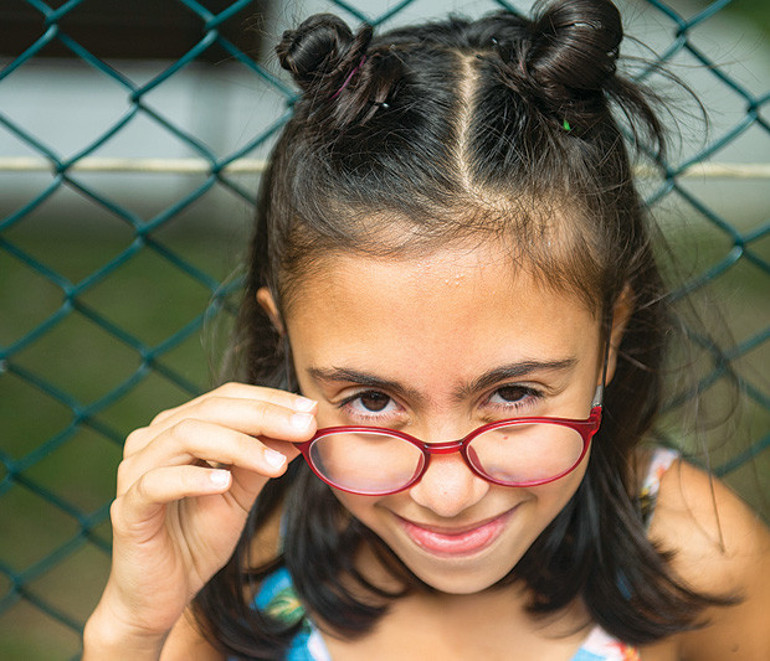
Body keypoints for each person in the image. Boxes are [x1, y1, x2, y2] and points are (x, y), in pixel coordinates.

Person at [82, 0, 770, 658]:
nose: (447, 495)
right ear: (287, 343)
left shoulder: (698, 554)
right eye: (373, 400)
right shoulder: (238, 553)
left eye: (514, 393)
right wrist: (131, 629)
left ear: (611, 335)